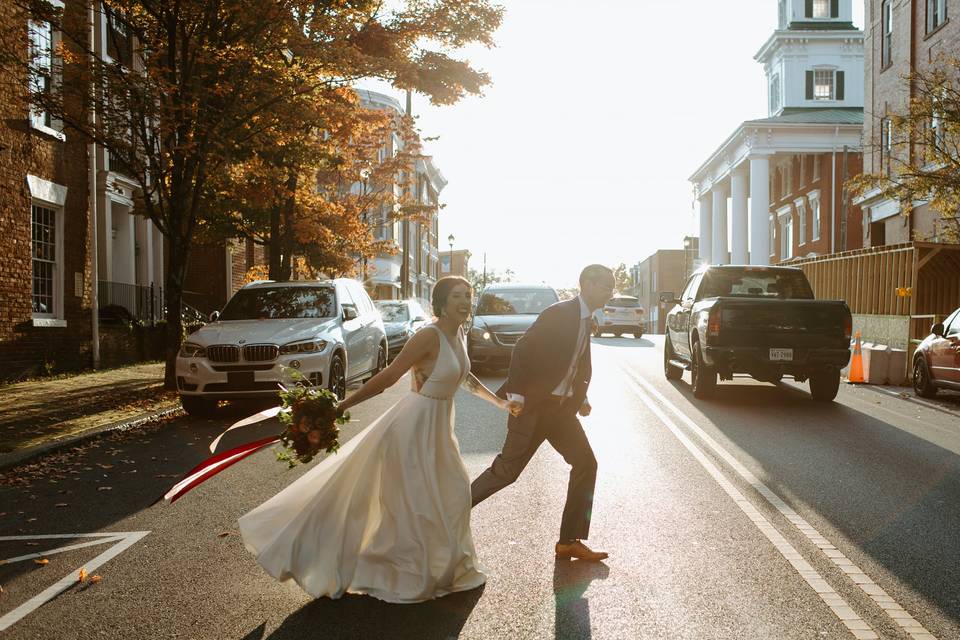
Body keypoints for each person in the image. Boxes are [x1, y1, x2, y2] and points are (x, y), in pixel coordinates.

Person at [238, 276, 518, 603]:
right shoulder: (428, 335)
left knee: (454, 493)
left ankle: (438, 565)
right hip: (413, 428)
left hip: (440, 428)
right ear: (441, 302)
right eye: (458, 295)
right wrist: (341, 406)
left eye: (468, 296)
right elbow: (389, 375)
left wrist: (500, 403)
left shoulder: (459, 334)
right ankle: (400, 569)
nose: (465, 301)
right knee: (414, 502)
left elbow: (465, 376)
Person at [471, 264, 615, 562]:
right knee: (506, 472)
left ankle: (568, 541)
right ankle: (448, 514)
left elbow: (572, 363)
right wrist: (518, 395)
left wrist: (581, 396)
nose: (611, 292)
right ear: (587, 283)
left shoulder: (586, 319)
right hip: (535, 408)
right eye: (606, 286)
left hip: (561, 412)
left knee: (586, 463)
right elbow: (524, 349)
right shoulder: (560, 313)